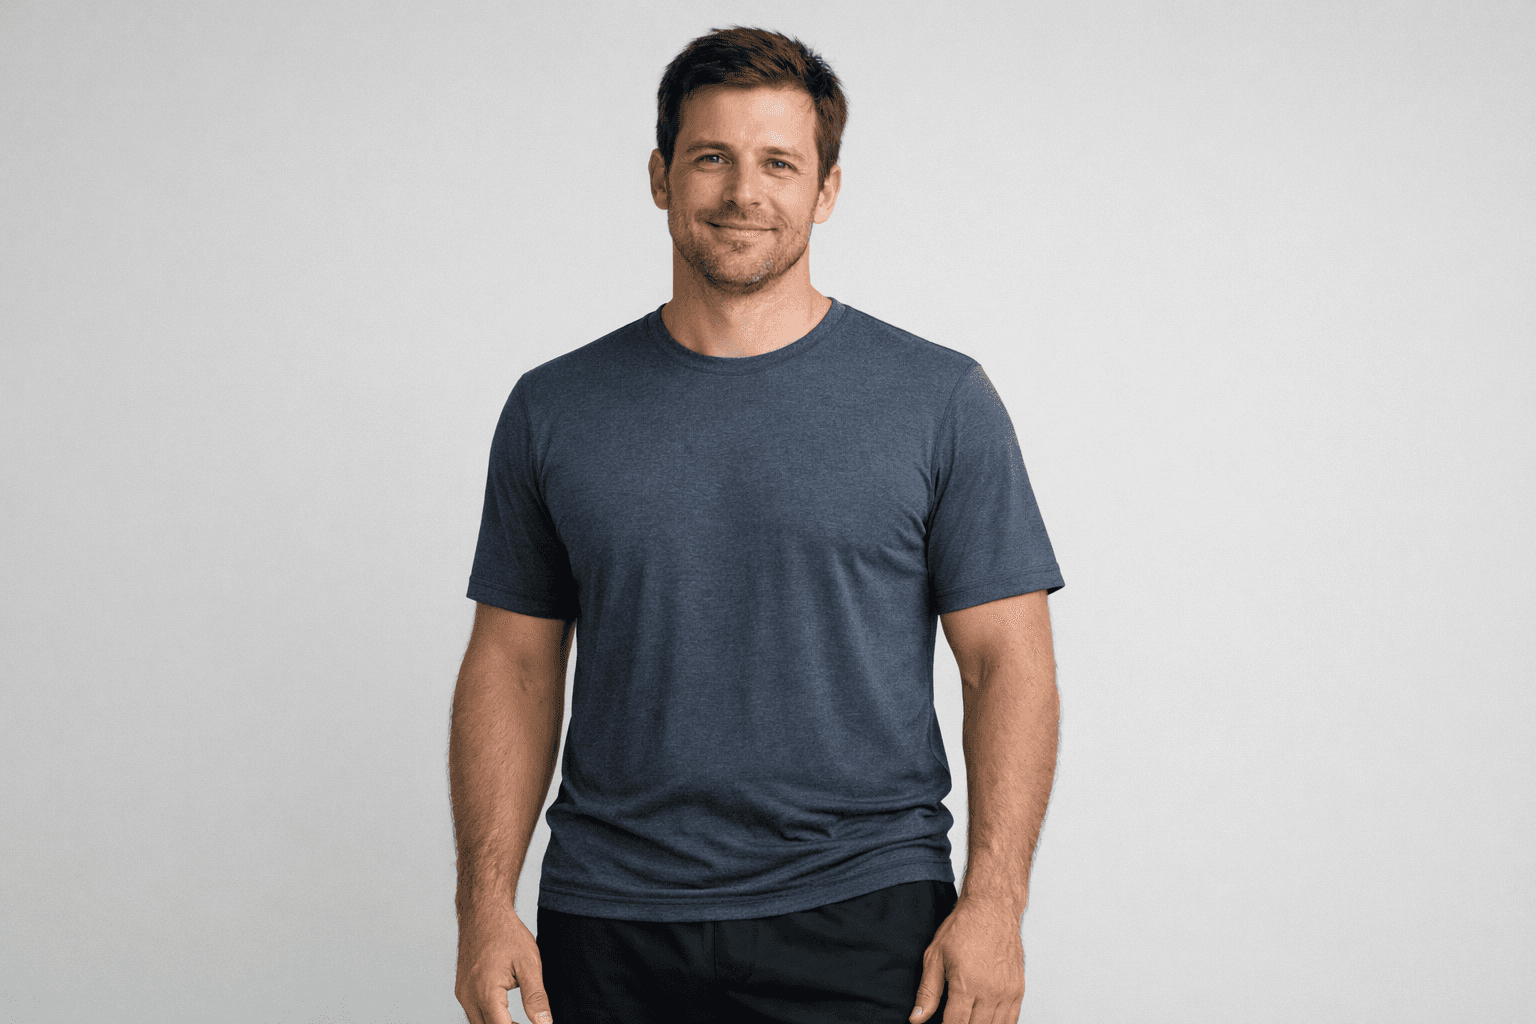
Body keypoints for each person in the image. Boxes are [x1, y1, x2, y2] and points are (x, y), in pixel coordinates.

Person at [450, 25, 1063, 1024]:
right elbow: (512, 666)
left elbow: (1008, 664)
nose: (745, 192)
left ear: (826, 190)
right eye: (711, 158)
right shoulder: (554, 409)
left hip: (865, 911)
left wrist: (996, 903)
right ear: (660, 176)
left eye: (779, 162)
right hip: (610, 920)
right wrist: (483, 906)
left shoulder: (939, 400)